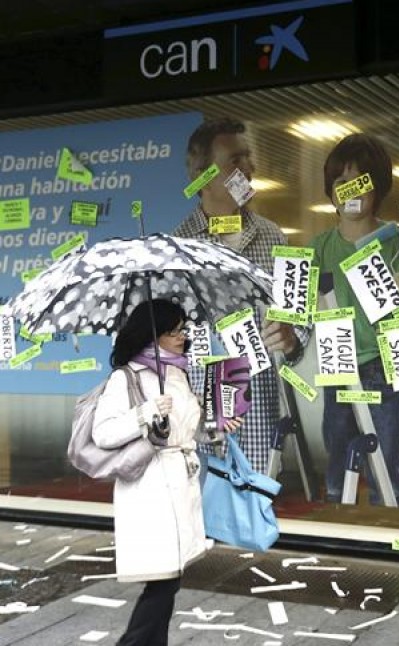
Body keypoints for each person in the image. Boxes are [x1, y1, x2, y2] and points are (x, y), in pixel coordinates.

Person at [92, 299, 241, 645]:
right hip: (150, 489)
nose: (182, 337)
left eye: (183, 330)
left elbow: (188, 429)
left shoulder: (177, 372)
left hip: (181, 481)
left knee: (169, 577)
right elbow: (104, 433)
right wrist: (144, 413)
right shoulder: (125, 377)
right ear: (154, 334)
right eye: (175, 331)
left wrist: (218, 427)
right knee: (162, 579)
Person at [174, 117, 310, 474]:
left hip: (262, 426)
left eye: (249, 158)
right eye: (236, 160)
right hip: (199, 431)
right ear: (202, 176)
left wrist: (292, 339)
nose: (249, 168)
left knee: (257, 526)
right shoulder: (177, 250)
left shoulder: (273, 237)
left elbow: (301, 319)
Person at [311, 133, 399, 504]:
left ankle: (387, 545)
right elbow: (295, 314)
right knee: (335, 475)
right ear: (330, 190)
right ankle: (335, 546)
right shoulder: (318, 249)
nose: (350, 191)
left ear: (379, 187)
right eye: (341, 182)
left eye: (361, 181)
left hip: (385, 369)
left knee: (385, 477)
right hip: (336, 367)